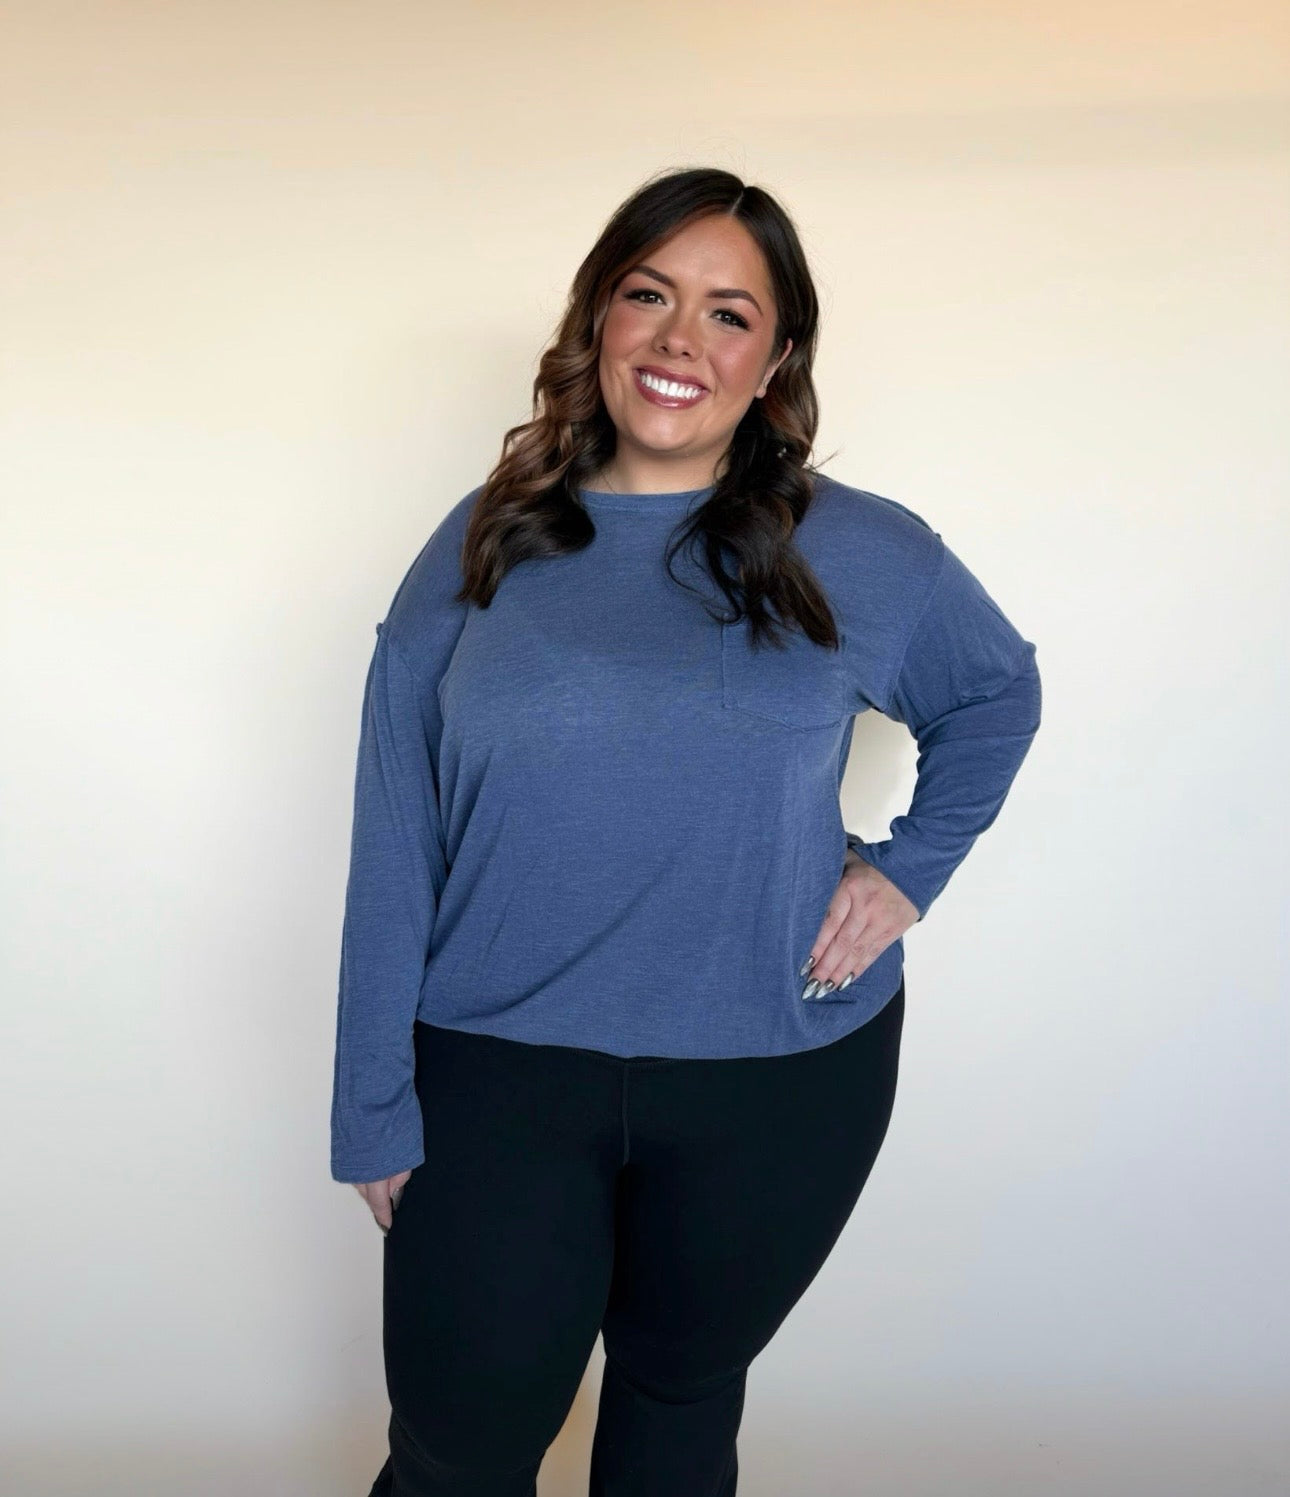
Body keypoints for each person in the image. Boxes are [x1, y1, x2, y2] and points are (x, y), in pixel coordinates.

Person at [330, 166, 1042, 1497]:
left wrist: (907, 874)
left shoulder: (859, 550)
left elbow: (996, 694)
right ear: (596, 318)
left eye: (728, 313)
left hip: (775, 1080)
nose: (678, 340)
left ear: (775, 362)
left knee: (676, 1413)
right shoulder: (484, 541)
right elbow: (394, 818)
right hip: (495, 1073)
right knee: (454, 1455)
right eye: (647, 294)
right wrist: (370, 1099)